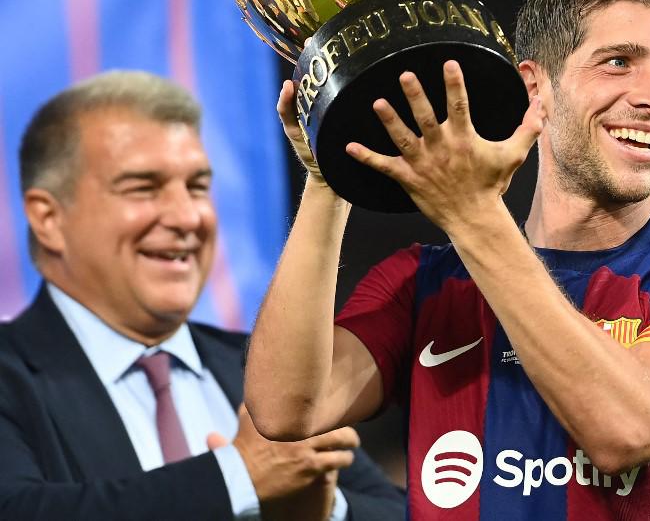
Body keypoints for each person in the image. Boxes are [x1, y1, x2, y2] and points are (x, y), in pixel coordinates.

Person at [245, 0, 650, 520]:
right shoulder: (422, 283)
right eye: (618, 63)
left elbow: (629, 427)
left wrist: (472, 213)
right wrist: (327, 179)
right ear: (535, 87)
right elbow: (286, 410)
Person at [0, 71, 405, 521]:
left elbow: (400, 512)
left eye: (197, 187)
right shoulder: (11, 373)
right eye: (143, 187)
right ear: (48, 218)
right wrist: (239, 477)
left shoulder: (261, 374)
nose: (187, 216)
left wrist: (323, 508)